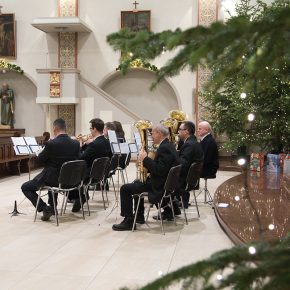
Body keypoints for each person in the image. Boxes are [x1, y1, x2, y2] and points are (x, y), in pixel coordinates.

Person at [112, 124, 180, 231]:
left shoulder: (164, 148)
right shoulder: (168, 145)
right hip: (164, 183)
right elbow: (162, 168)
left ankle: (129, 221)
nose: (151, 136)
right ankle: (139, 216)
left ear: (159, 133)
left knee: (125, 188)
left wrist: (145, 159)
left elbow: (159, 170)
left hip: (159, 187)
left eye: (152, 133)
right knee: (136, 182)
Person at [21, 118, 80, 221]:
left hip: (53, 179)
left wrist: (42, 151)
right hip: (70, 180)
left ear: (55, 129)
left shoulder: (51, 144)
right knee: (54, 175)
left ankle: (44, 208)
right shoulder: (75, 143)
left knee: (25, 187)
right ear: (65, 129)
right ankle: (53, 207)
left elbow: (40, 160)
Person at [70, 118, 112, 212]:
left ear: (95, 129)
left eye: (90, 128)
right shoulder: (107, 142)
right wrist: (88, 144)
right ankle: (80, 196)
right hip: (100, 174)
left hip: (89, 175)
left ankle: (80, 196)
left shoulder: (94, 144)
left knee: (67, 176)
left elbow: (80, 157)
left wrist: (81, 144)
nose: (90, 130)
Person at [177, 121, 204, 208]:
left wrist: (173, 157)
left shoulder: (189, 144)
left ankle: (169, 209)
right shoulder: (193, 142)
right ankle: (181, 202)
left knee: (160, 178)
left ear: (186, 131)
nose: (178, 132)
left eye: (180, 130)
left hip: (185, 179)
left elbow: (183, 164)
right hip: (191, 178)